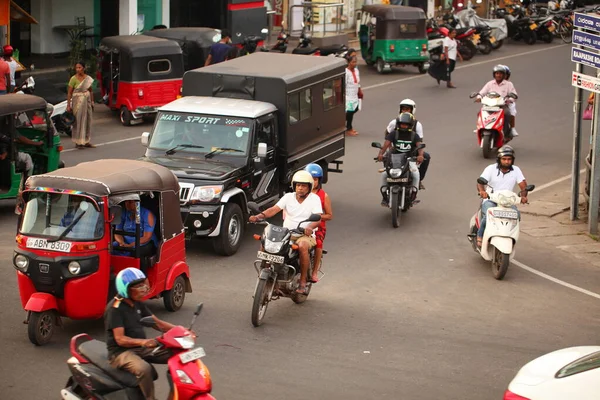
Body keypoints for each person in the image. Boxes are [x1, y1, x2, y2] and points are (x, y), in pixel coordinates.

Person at [105, 268, 179, 400]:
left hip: (140, 348)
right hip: (121, 353)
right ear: (126, 288)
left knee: (176, 353)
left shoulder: (137, 303)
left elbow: (157, 323)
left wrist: (180, 330)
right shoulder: (115, 309)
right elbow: (120, 339)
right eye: (138, 286)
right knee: (144, 369)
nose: (143, 288)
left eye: (143, 284)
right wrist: (143, 342)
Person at [249, 170, 323, 294]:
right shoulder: (288, 197)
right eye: (298, 185)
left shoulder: (314, 199)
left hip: (304, 235)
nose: (300, 188)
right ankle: (265, 272)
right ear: (294, 185)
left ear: (309, 187)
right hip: (286, 234)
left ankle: (303, 281)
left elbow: (318, 218)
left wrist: (310, 227)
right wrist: (259, 216)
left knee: (303, 246)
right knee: (265, 242)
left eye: (303, 186)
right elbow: (274, 209)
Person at [475, 145, 528, 249]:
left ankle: (511, 237)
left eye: (509, 159)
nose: (507, 161)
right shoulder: (491, 169)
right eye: (504, 159)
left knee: (516, 215)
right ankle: (480, 235)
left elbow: (523, 186)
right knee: (490, 213)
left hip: (507, 202)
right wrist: (482, 191)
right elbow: (480, 182)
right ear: (499, 159)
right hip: (491, 199)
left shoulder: (516, 170)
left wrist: (524, 196)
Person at [377, 112, 424, 207]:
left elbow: (420, 147)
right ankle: (384, 196)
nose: (404, 126)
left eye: (406, 124)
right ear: (398, 124)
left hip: (409, 159)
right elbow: (386, 144)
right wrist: (381, 154)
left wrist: (420, 155)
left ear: (410, 125)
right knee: (384, 174)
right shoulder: (393, 134)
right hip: (395, 159)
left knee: (415, 174)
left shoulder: (414, 135)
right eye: (402, 124)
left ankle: (414, 194)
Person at [384, 99, 430, 190]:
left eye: (407, 109)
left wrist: (419, 154)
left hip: (411, 151)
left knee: (426, 157)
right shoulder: (394, 122)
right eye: (403, 109)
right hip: (397, 150)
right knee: (386, 158)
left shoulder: (417, 124)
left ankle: (419, 180)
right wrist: (390, 148)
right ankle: (390, 176)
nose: (405, 111)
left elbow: (419, 142)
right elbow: (387, 135)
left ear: (412, 110)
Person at [304, 163, 332, 284]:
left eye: (315, 179)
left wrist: (318, 217)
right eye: (311, 179)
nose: (313, 182)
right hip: (299, 225)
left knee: (318, 244)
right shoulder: (300, 192)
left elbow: (329, 215)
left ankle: (315, 271)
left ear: (319, 180)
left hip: (318, 228)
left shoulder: (324, 196)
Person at [475, 65, 519, 137]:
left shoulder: (508, 84)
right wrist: (479, 97)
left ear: (504, 75)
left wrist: (510, 99)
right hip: (489, 105)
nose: (498, 75)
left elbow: (514, 95)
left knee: (507, 114)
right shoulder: (490, 83)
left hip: (501, 106)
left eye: (500, 73)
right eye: (497, 73)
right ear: (494, 74)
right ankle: (480, 127)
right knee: (479, 113)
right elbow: (482, 92)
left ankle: (508, 131)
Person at [67, 61, 95, 149]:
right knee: (78, 121)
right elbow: (69, 93)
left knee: (87, 120)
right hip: (77, 103)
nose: (78, 69)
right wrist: (68, 105)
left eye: (79, 67)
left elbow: (90, 91)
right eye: (76, 68)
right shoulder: (73, 79)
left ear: (83, 68)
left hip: (87, 102)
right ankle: (78, 142)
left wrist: (92, 101)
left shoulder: (87, 79)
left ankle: (86, 141)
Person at [345, 55, 363, 136]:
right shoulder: (346, 72)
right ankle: (349, 128)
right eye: (353, 62)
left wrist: (360, 91)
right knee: (350, 112)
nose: (355, 64)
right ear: (349, 63)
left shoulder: (356, 70)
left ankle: (343, 123)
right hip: (348, 96)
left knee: (355, 109)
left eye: (356, 62)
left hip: (355, 95)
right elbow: (343, 85)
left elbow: (358, 82)